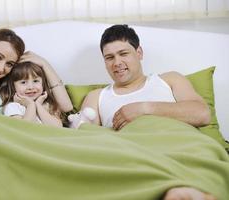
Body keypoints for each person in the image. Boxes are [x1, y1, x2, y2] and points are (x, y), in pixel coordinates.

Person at [80, 24, 214, 200]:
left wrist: (144, 109)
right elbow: (85, 140)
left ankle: (184, 187)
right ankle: (178, 189)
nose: (117, 63)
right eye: (109, 57)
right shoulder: (97, 97)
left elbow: (202, 114)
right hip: (131, 157)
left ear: (139, 53)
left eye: (123, 53)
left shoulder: (169, 79)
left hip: (178, 146)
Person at [0, 61, 63, 127]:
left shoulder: (48, 105)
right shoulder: (13, 107)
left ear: (43, 84)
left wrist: (38, 105)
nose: (30, 87)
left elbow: (58, 128)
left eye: (35, 81)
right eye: (23, 82)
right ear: (13, 86)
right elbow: (24, 128)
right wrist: (31, 105)